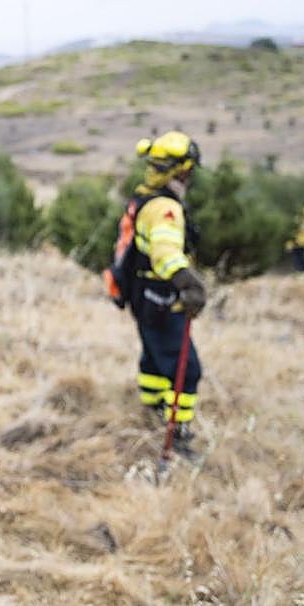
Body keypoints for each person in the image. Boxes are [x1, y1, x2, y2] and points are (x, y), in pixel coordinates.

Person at [109, 131, 208, 455]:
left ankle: (150, 407)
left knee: (154, 352)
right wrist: (188, 283)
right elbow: (165, 254)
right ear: (182, 170)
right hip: (159, 294)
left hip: (142, 292)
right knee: (186, 368)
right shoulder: (165, 207)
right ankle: (177, 435)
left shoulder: (145, 196)